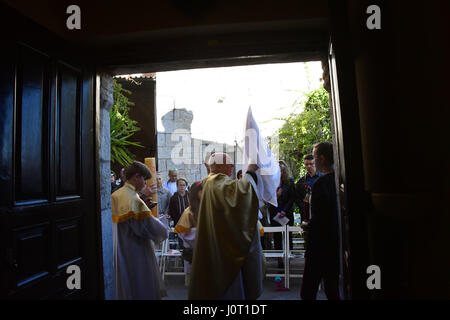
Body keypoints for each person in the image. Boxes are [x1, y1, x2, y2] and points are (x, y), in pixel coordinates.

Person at [188, 152, 262, 300]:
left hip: (215, 242)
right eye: (230, 165)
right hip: (224, 249)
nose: (232, 168)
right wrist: (250, 172)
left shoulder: (208, 182)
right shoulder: (216, 181)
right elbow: (241, 196)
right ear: (220, 166)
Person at [111, 161, 169, 300]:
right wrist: (163, 222)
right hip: (136, 250)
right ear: (136, 177)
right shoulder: (133, 199)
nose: (146, 183)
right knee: (139, 285)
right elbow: (153, 229)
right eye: (144, 179)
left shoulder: (117, 194)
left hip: (118, 246)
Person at [300, 142, 340, 300]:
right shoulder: (338, 181)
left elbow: (319, 218)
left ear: (322, 158)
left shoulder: (321, 184)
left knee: (308, 292)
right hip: (335, 244)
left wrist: (306, 225)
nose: (313, 161)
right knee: (332, 289)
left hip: (319, 246)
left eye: (315, 157)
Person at [268, 160, 296, 268]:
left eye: (281, 170)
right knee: (277, 237)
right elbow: (268, 198)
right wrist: (276, 195)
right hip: (275, 213)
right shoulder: (271, 183)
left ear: (284, 171)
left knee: (288, 236)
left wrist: (285, 210)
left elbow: (292, 198)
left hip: (286, 213)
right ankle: (279, 259)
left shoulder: (289, 182)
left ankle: (288, 257)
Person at [174, 181, 203, 287]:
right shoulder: (188, 212)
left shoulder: (208, 208)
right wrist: (201, 232)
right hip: (193, 251)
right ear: (195, 193)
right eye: (202, 191)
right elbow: (183, 233)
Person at [295, 154, 322, 223]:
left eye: (311, 164)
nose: (309, 166)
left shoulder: (322, 178)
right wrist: (303, 207)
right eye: (306, 164)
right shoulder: (301, 181)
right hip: (306, 214)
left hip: (321, 212)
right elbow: (296, 197)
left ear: (315, 163)